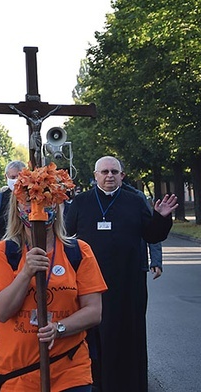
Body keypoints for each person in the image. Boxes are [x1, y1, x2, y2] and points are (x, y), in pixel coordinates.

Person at [65, 156, 177, 392]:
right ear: (95, 175)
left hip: (128, 284)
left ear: (122, 175)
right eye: (104, 171)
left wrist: (162, 218)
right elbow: (65, 235)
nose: (109, 176)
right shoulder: (81, 202)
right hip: (89, 284)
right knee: (92, 336)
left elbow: (152, 235)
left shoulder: (135, 202)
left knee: (128, 336)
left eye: (114, 171)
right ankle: (92, 383)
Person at [0, 176, 107, 391]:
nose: (37, 206)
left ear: (58, 204)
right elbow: (2, 312)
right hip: (18, 375)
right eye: (29, 200)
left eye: (46, 199)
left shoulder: (78, 251)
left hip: (70, 370)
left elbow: (94, 311)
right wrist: (25, 273)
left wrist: (59, 328)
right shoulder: (3, 253)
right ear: (17, 206)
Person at [0, 160, 26, 240]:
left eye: (20, 177)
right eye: (13, 177)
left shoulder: (33, 198)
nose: (17, 180)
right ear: (6, 177)